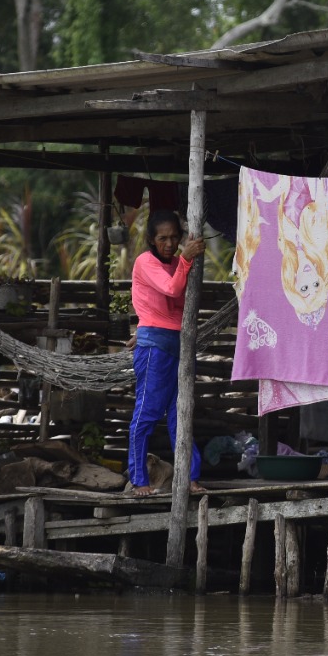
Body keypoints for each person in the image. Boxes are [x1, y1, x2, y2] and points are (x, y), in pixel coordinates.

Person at [127, 209, 207, 497]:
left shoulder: (178, 263)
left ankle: (190, 477)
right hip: (155, 349)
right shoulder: (145, 262)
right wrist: (188, 257)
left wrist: (185, 261)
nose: (170, 244)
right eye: (163, 238)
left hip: (179, 345)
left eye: (175, 238)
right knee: (146, 414)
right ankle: (139, 479)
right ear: (151, 239)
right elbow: (172, 290)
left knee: (181, 414)